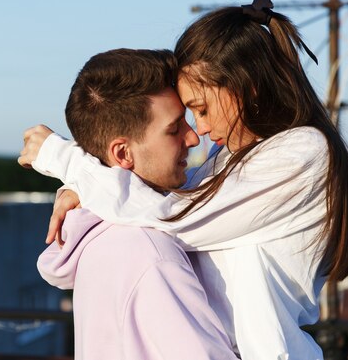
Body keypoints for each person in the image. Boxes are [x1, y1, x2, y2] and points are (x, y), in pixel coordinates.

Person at [20, 0, 348, 360]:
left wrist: (65, 160)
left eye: (201, 109)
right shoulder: (232, 157)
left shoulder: (303, 154)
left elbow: (173, 217)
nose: (199, 130)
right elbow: (157, 198)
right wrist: (82, 187)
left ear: (244, 86)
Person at [35, 48, 237, 360]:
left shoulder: (102, 239)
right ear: (123, 154)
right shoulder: (151, 254)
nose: (194, 138)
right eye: (174, 129)